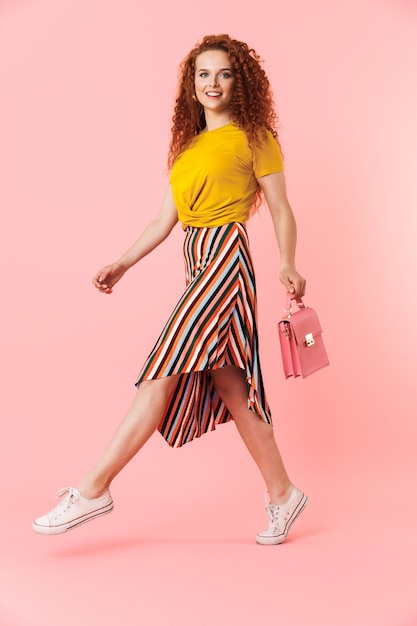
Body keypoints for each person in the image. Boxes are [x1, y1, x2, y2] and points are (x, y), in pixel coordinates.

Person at [32, 34, 308, 545]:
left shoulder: (255, 136)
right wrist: (122, 262)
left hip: (226, 258)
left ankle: (94, 489)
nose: (213, 83)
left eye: (224, 73)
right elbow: (165, 219)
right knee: (231, 387)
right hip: (195, 259)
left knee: (163, 367)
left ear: (239, 81)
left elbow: (280, 207)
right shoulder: (189, 146)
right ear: (191, 83)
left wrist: (288, 262)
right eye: (203, 74)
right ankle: (284, 493)